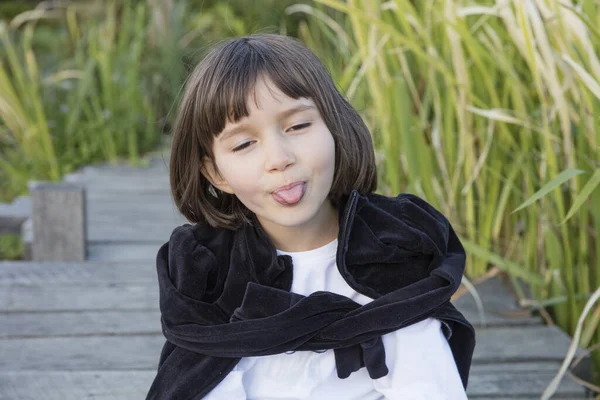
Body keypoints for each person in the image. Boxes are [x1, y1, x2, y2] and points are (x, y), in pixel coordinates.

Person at [146, 33, 475, 400]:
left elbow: (428, 384)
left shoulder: (393, 247)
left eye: (298, 126)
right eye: (244, 144)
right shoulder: (208, 270)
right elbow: (197, 383)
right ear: (216, 173)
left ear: (334, 126)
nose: (279, 158)